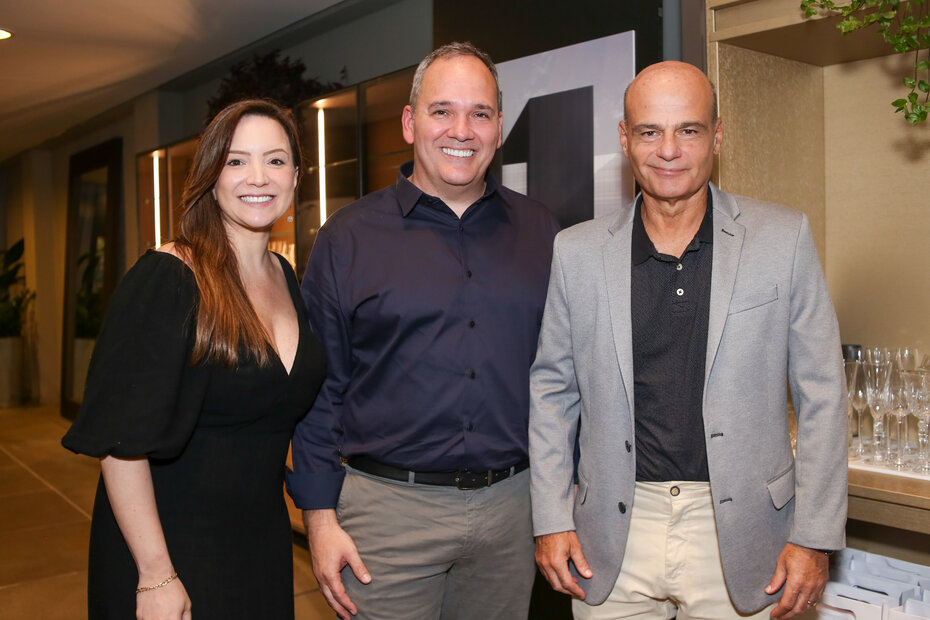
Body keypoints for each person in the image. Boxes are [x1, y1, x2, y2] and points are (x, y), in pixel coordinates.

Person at [529, 61, 847, 620]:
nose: (668, 149)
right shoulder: (575, 252)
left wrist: (815, 536)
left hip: (744, 533)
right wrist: (552, 518)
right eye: (650, 131)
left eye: (689, 130)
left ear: (717, 136)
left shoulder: (783, 237)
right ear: (625, 139)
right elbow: (553, 392)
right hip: (610, 533)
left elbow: (823, 393)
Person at [286, 42, 560, 620]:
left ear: (499, 128)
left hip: (513, 510)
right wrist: (318, 517)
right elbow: (319, 389)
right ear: (411, 123)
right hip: (386, 516)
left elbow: (563, 376)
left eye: (479, 114)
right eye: (442, 111)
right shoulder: (349, 238)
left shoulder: (542, 232)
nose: (461, 130)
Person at [62, 99, 326, 620]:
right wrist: (155, 574)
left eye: (275, 160)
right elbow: (120, 444)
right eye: (235, 160)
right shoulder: (170, 277)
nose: (258, 176)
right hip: (170, 549)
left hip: (260, 546)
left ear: (296, 176)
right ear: (210, 175)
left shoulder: (285, 276)